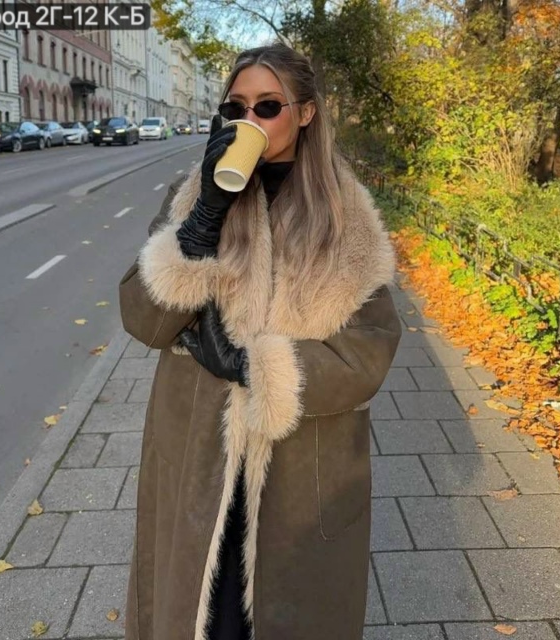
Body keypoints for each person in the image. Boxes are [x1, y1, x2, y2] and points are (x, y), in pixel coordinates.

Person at [119, 41, 402, 640]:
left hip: (300, 468)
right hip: (196, 450)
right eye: (235, 108)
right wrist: (202, 222)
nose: (249, 119)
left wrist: (257, 367)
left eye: (268, 106)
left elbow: (370, 348)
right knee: (198, 613)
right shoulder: (191, 196)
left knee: (287, 613)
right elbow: (144, 321)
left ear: (306, 113)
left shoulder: (346, 216)